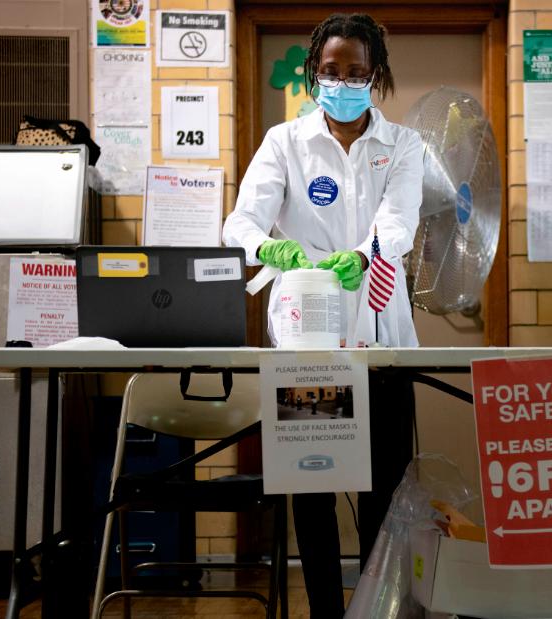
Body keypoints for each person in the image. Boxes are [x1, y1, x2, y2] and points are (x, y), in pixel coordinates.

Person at [222, 12, 421, 618]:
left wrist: (363, 256)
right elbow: (240, 223)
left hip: (381, 335)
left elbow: (399, 224)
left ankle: (376, 608)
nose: (343, 81)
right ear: (314, 74)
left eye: (356, 71)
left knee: (383, 491)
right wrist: (268, 248)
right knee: (312, 488)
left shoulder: (403, 145)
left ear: (375, 75)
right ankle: (324, 613)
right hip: (307, 339)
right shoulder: (286, 142)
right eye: (331, 71)